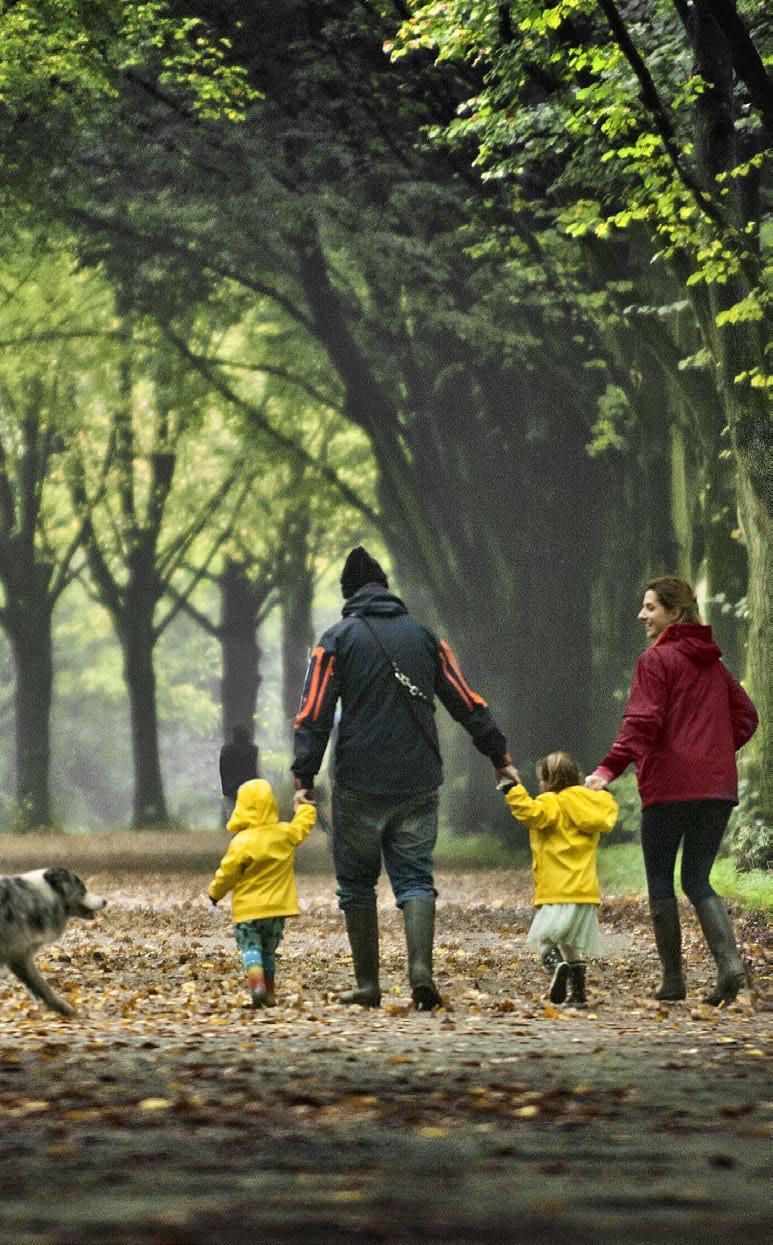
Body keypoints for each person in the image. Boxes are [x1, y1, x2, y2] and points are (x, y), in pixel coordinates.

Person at [292, 546, 512, 1010]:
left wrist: (304, 775)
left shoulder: (335, 639)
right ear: (386, 588)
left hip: (357, 781)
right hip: (417, 778)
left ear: (347, 594)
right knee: (414, 877)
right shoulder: (427, 637)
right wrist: (498, 753)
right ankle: (419, 973)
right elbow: (465, 700)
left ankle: (368, 985)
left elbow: (313, 712)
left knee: (355, 883)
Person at [586, 577, 758, 1005]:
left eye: (650, 607)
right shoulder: (714, 665)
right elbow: (747, 717)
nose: (641, 615)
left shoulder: (656, 660)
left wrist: (607, 770)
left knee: (661, 878)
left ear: (674, 612)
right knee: (698, 878)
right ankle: (730, 968)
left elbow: (641, 722)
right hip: (716, 788)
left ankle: (673, 980)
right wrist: (712, 753)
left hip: (669, 786)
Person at [497, 752, 617, 1008]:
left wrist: (512, 789)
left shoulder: (550, 803)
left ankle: (557, 968)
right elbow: (606, 809)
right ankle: (579, 993)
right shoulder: (590, 803)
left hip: (556, 890)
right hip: (584, 892)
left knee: (544, 941)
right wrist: (604, 790)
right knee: (571, 943)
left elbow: (528, 813)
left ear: (545, 778)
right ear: (576, 775)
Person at [208, 779, 316, 1008]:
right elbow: (302, 826)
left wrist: (215, 893)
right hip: (277, 910)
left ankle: (257, 988)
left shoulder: (242, 843)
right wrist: (304, 806)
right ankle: (270, 994)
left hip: (248, 912)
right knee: (268, 951)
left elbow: (227, 873)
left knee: (250, 949)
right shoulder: (284, 834)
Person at [219, 724, 259, 822]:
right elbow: (254, 770)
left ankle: (237, 833)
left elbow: (223, 770)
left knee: (233, 815)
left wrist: (225, 788)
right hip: (249, 787)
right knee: (248, 814)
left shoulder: (226, 750)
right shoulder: (253, 750)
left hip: (231, 788)